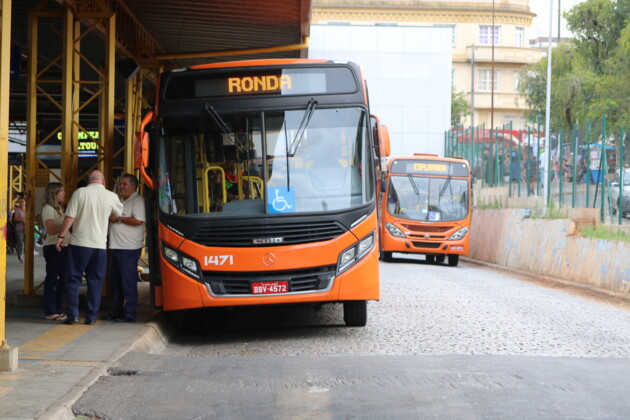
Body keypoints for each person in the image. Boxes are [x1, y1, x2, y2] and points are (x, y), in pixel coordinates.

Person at [56, 170, 123, 325]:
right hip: (99, 246)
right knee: (96, 281)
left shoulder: (79, 193)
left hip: (79, 244)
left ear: (89, 181)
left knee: (73, 280)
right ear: (103, 181)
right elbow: (118, 214)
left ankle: (72, 315)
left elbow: (70, 217)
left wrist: (61, 236)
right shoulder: (111, 196)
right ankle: (91, 317)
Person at [103, 174, 146, 323]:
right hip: (115, 247)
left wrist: (119, 218)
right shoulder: (120, 201)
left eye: (125, 184)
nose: (121, 186)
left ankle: (130, 314)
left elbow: (139, 220)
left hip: (128, 249)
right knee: (115, 283)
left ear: (134, 186)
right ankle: (116, 312)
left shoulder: (138, 201)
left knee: (127, 283)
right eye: (120, 184)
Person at [41, 182, 70, 321]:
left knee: (63, 280)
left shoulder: (59, 209)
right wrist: (67, 224)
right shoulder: (48, 209)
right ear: (54, 194)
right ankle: (50, 311)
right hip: (54, 247)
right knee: (52, 279)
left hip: (63, 247)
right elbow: (51, 229)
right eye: (61, 192)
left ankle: (57, 309)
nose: (64, 194)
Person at [12, 195, 26, 263]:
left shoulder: (27, 210)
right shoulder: (17, 210)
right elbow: (15, 219)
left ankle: (26, 257)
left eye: (23, 202)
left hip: (26, 229)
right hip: (19, 229)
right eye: (20, 202)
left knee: (26, 243)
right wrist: (22, 219)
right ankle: (21, 258)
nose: (21, 203)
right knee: (20, 243)